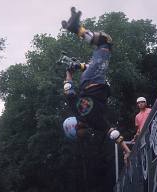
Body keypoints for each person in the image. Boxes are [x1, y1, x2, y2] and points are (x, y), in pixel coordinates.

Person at [61, 7, 131, 164]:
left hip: (95, 79)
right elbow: (68, 90)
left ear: (75, 127)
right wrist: (70, 72)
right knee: (95, 62)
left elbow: (113, 134)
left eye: (80, 134)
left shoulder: (92, 121)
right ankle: (76, 33)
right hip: (88, 80)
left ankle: (76, 28)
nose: (84, 135)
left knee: (106, 41)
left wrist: (127, 151)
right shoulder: (82, 114)